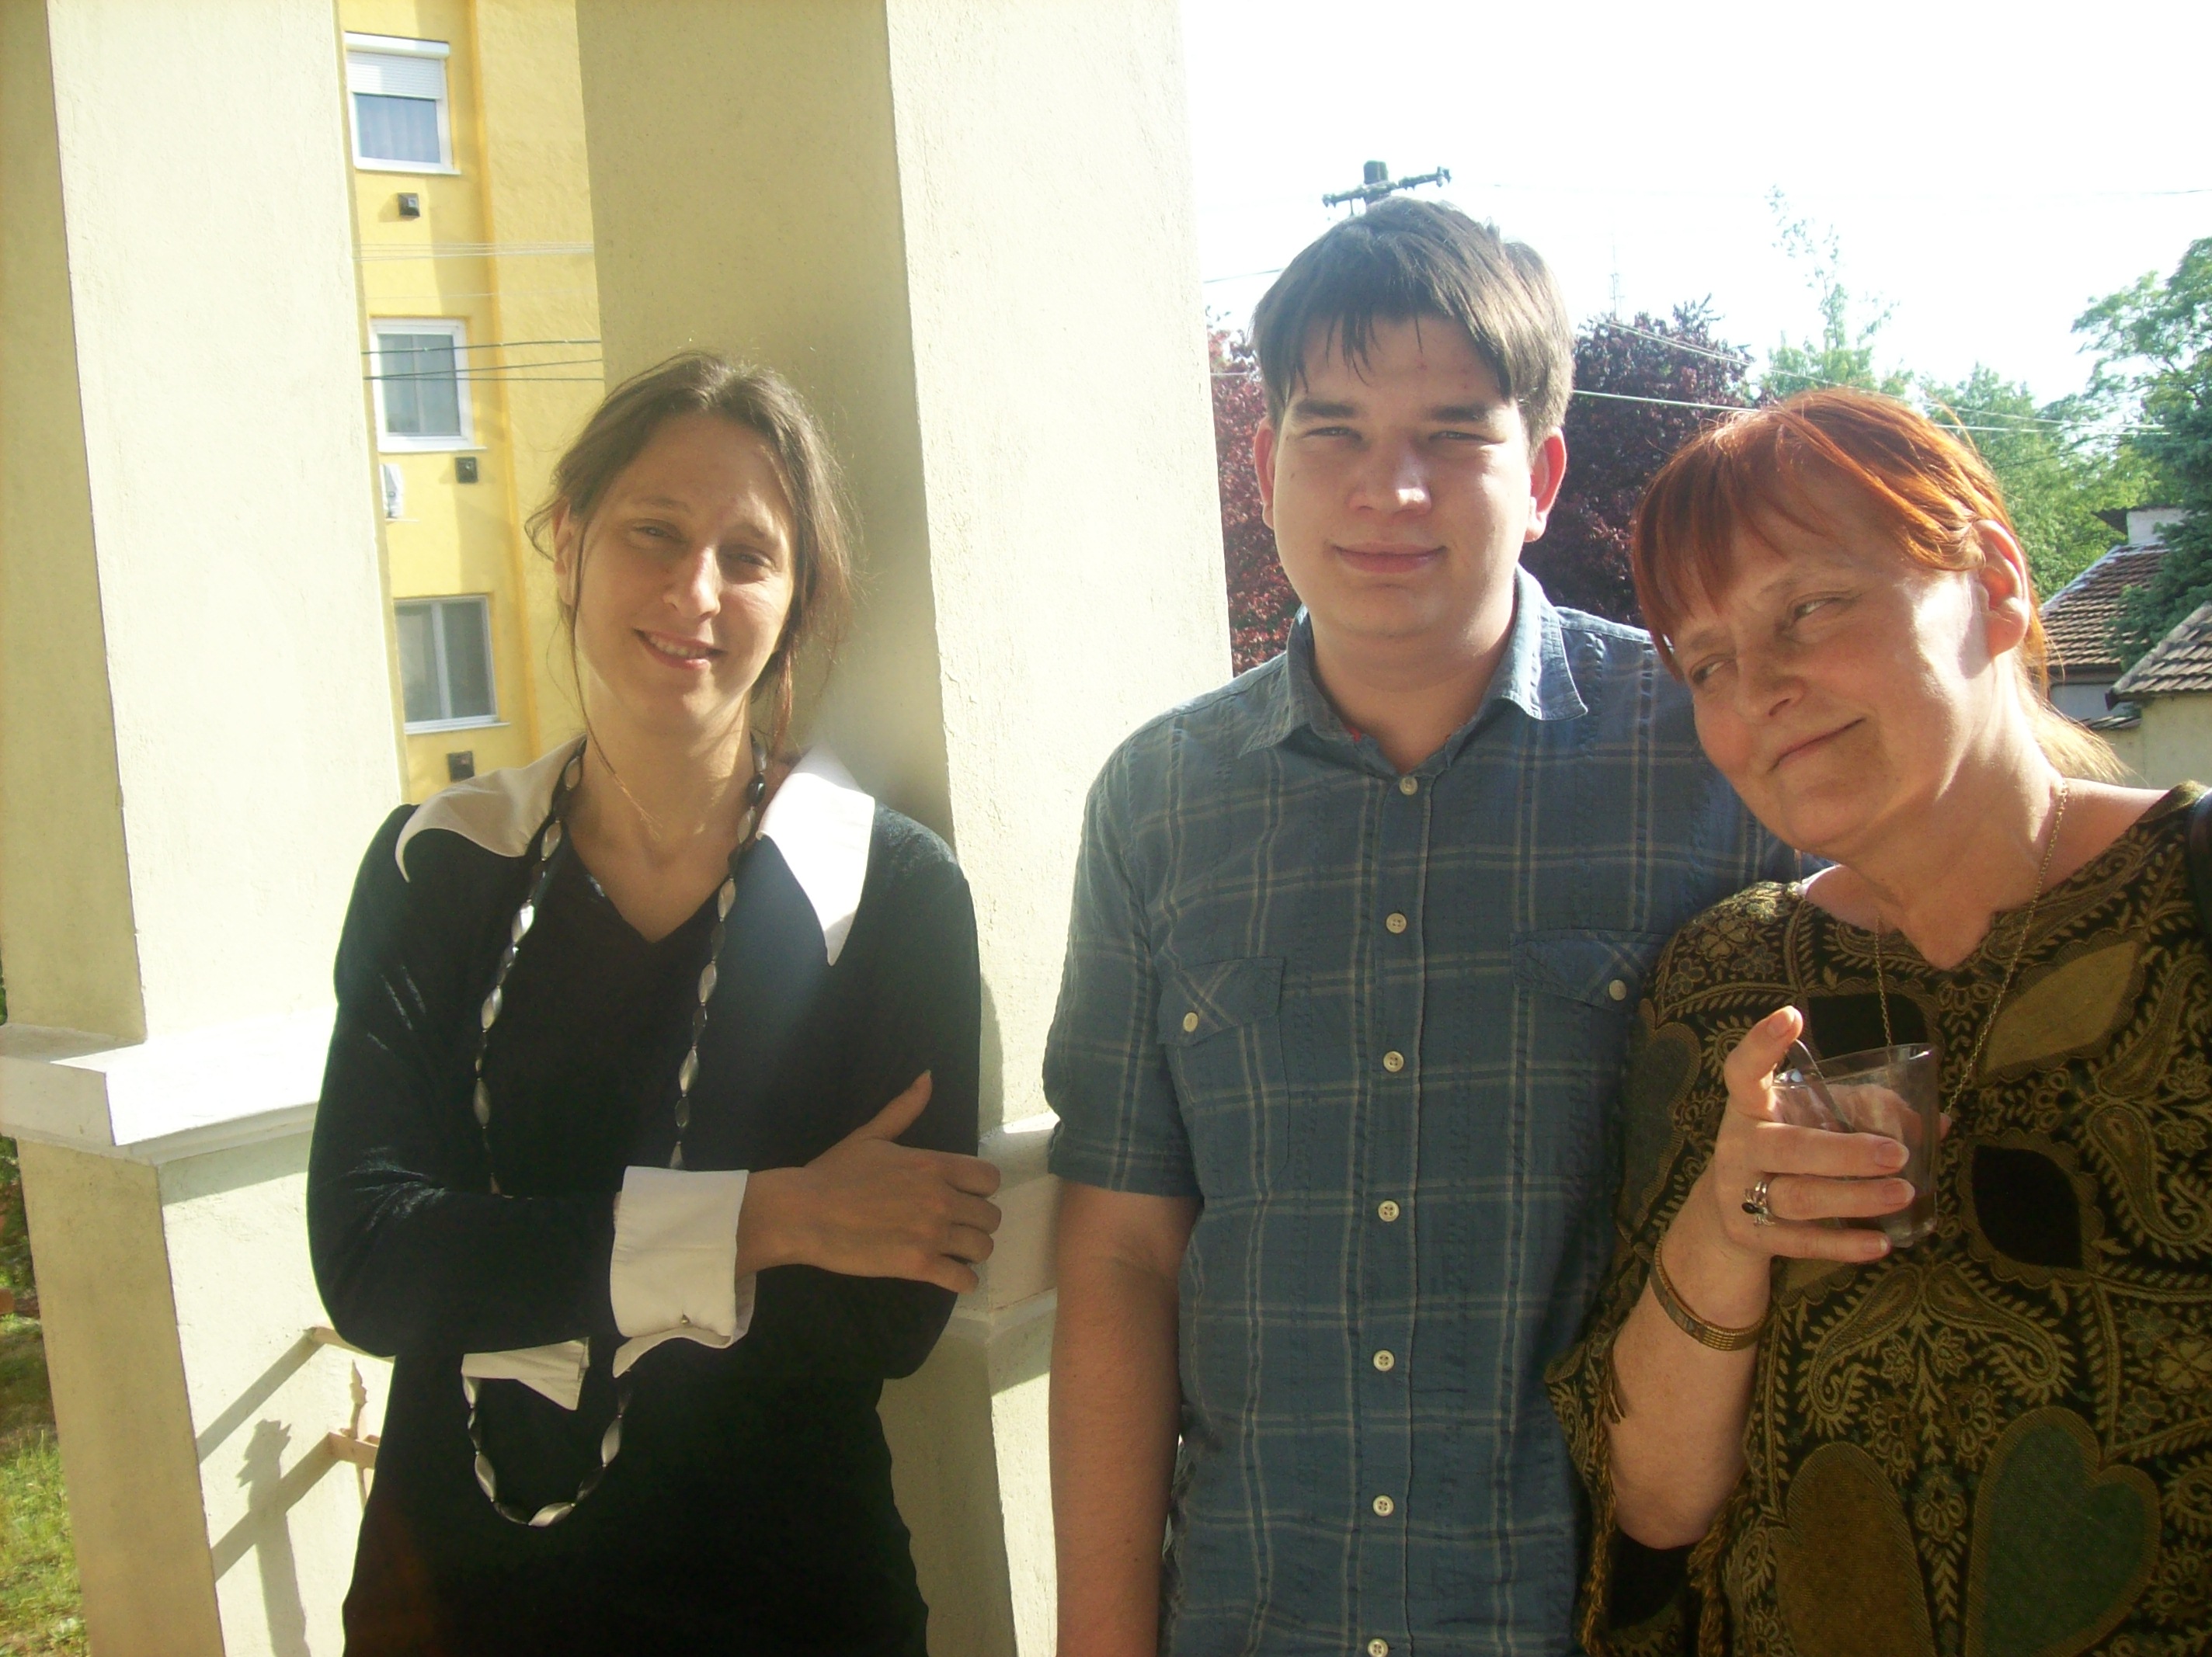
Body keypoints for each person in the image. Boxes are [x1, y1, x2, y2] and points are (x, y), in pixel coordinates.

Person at [1045, 197, 1802, 1657]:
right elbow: (1125, 1249)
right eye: (1331, 430)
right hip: (1258, 1612)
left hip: (1605, 1617)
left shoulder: (1712, 759)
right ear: (1265, 465)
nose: (1389, 489)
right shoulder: (1157, 804)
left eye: (1453, 436)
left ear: (1543, 474)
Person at [308, 353, 1001, 1656]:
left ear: (796, 601)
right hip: (456, 1601)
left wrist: (512, 1254)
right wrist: (780, 1215)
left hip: (789, 1600)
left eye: (751, 555)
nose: (697, 590)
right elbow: (374, 1263)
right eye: (655, 532)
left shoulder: (885, 887)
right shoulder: (438, 865)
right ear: (569, 541)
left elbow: (888, 1310)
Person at [1546, 389, 2210, 1655]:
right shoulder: (1729, 980)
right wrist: (1726, 1224)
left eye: (1809, 607)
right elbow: (1654, 1507)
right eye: (1707, 662)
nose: (1761, 688)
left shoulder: (2189, 904)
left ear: (1996, 586)